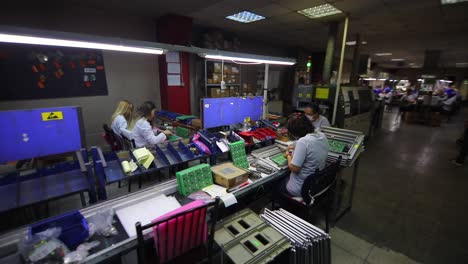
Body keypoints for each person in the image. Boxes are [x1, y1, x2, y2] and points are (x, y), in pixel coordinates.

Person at [280, 113, 329, 197]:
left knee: (275, 184)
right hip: (315, 185)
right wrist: (296, 145)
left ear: (296, 131)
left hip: (300, 188)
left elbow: (294, 168)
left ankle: (285, 207)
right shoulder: (321, 135)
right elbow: (310, 144)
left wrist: (288, 154)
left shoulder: (303, 142)